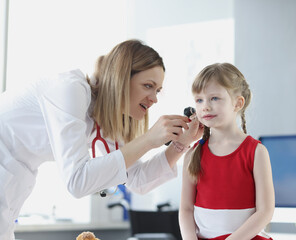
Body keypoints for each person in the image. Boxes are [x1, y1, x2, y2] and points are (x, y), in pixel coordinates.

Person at [0, 39, 203, 240]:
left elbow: (137, 181)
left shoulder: (105, 118)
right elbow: (77, 182)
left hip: (13, 185)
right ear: (121, 78)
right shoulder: (70, 89)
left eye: (157, 90)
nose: (154, 98)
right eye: (148, 86)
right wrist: (149, 139)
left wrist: (181, 143)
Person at [179, 63, 275, 240]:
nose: (205, 106)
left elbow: (265, 211)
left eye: (214, 98)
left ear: (238, 103)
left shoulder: (257, 152)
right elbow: (186, 209)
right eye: (199, 100)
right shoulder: (193, 154)